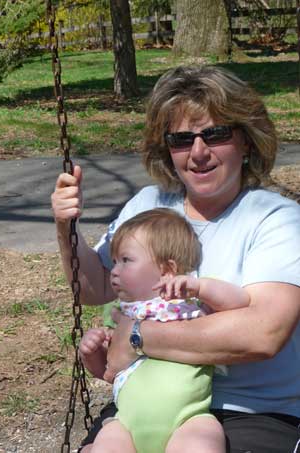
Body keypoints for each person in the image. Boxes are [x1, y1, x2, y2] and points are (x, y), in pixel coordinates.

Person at [51, 65, 300, 453]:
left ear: (247, 142)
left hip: (251, 410)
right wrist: (66, 228)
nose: (199, 152)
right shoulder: (147, 205)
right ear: (166, 148)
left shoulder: (274, 219)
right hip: (147, 400)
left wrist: (136, 336)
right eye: (182, 139)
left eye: (216, 134)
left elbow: (262, 333)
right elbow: (95, 287)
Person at [79, 207, 252, 453]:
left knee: (202, 443)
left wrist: (200, 287)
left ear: (167, 269)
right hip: (126, 424)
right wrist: (92, 351)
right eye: (115, 261)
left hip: (188, 421)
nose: (114, 270)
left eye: (125, 260)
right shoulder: (121, 313)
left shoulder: (188, 305)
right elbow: (108, 372)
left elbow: (240, 302)